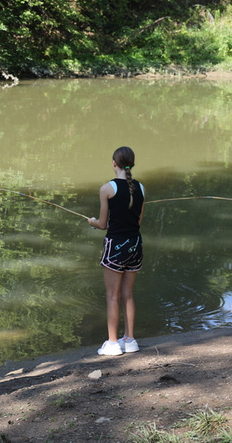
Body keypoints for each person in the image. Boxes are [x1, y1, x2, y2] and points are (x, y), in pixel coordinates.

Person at [88, 147, 145, 356]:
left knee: (112, 296)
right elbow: (138, 221)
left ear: (114, 163)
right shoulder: (141, 188)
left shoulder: (107, 189)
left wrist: (91, 222)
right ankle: (130, 340)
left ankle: (112, 343)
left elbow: (103, 224)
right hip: (135, 245)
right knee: (127, 295)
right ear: (132, 164)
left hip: (115, 247)